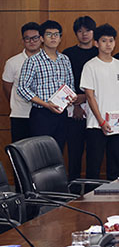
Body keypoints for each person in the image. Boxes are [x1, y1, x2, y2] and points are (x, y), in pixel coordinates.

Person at [81, 24, 119, 180]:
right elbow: (89, 96)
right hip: (96, 124)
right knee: (93, 166)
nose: (108, 44)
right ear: (96, 43)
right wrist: (101, 121)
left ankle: (115, 202)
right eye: (103, 41)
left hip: (118, 124)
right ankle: (89, 203)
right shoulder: (90, 66)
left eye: (111, 40)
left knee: (115, 165)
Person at [17, 20, 76, 151]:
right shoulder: (33, 61)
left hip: (61, 114)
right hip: (41, 114)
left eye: (56, 34)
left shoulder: (65, 59)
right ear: (42, 38)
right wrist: (46, 104)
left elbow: (70, 84)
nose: (53, 37)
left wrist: (71, 98)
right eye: (49, 34)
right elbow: (22, 88)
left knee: (58, 151)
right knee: (41, 153)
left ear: (60, 38)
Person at [62, 16, 98, 182]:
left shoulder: (99, 53)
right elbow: (64, 81)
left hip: (96, 108)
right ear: (76, 33)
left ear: (93, 32)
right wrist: (76, 104)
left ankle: (92, 190)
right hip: (73, 109)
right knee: (74, 154)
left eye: (88, 30)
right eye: (80, 31)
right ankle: (74, 192)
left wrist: (86, 97)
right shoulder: (68, 54)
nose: (84, 34)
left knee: (94, 153)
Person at [3, 22, 41, 142]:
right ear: (23, 40)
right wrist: (16, 102)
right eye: (27, 38)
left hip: (43, 115)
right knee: (20, 152)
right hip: (20, 115)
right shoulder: (12, 62)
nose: (31, 41)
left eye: (35, 38)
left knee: (41, 153)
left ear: (41, 39)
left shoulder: (49, 60)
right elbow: (7, 87)